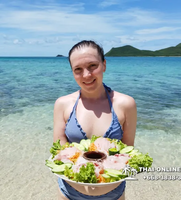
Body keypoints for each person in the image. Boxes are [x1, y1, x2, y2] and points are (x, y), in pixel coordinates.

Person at [53, 40, 137, 200]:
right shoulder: (63, 104)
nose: (86, 75)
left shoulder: (126, 104)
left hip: (113, 193)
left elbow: (128, 151)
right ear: (72, 72)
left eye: (93, 66)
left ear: (104, 65)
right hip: (69, 193)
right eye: (78, 69)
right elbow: (59, 149)